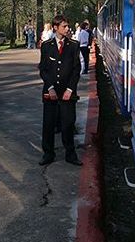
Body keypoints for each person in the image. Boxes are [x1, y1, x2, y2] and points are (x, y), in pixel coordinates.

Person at [38, 15, 82, 166]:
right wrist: (50, 87)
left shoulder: (74, 45)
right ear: (56, 28)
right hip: (50, 92)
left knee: (68, 124)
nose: (67, 28)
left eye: (67, 26)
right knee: (48, 124)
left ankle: (70, 154)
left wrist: (70, 89)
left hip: (67, 92)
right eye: (64, 26)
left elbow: (77, 69)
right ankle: (48, 154)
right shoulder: (46, 46)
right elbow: (43, 69)